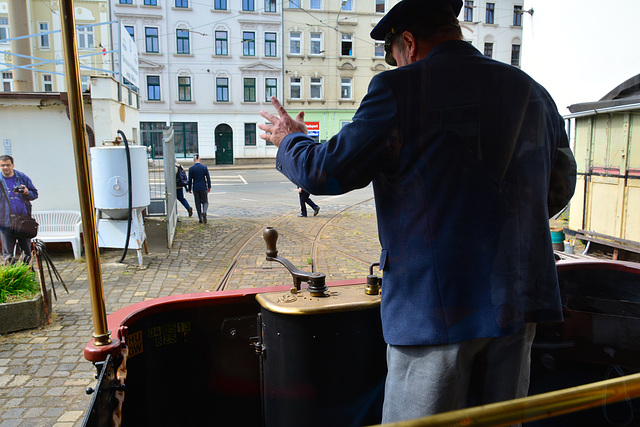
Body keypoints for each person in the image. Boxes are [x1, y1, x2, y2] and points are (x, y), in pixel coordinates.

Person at [258, 0, 577, 422]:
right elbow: (560, 185)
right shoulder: (532, 91)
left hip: (434, 310)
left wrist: (290, 140)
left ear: (408, 42)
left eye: (395, 57)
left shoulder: (400, 89)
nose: (397, 65)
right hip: (518, 305)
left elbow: (326, 172)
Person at [0, 155, 39, 264]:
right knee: (8, 256)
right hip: (5, 222)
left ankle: (29, 278)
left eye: (8, 165)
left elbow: (34, 194)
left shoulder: (22, 177)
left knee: (27, 254)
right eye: (2, 165)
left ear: (13, 165)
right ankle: (12, 280)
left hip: (23, 221)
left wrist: (26, 192)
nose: (5, 168)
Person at [187, 154, 211, 224]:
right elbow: (208, 178)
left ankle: (200, 218)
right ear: (199, 159)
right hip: (203, 187)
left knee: (197, 203)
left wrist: (189, 188)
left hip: (196, 188)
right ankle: (204, 211)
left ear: (193, 160)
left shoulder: (191, 169)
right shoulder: (204, 167)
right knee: (205, 201)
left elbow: (190, 180)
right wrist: (209, 186)